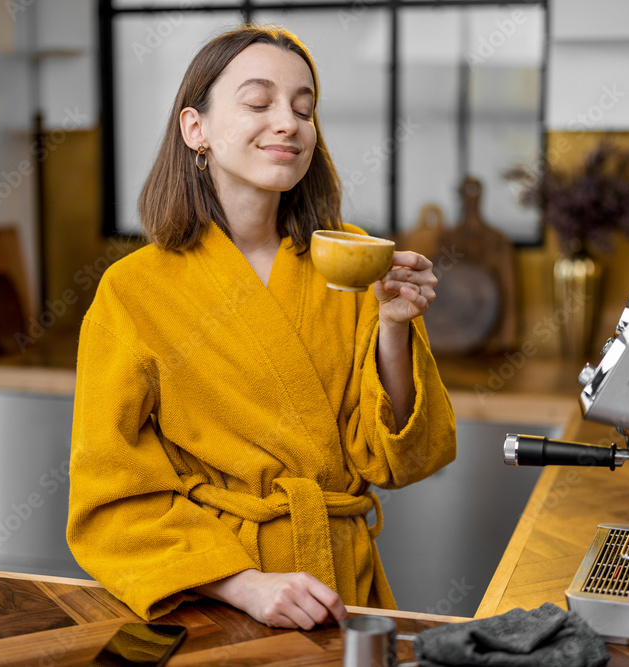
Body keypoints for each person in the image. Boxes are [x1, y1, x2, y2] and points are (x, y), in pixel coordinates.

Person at [66, 24, 456, 631]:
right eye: (258, 103)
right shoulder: (132, 291)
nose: (288, 123)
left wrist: (395, 328)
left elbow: (395, 460)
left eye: (305, 109)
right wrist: (244, 586)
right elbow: (109, 498)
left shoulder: (351, 262)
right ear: (195, 129)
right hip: (213, 600)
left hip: (344, 589)